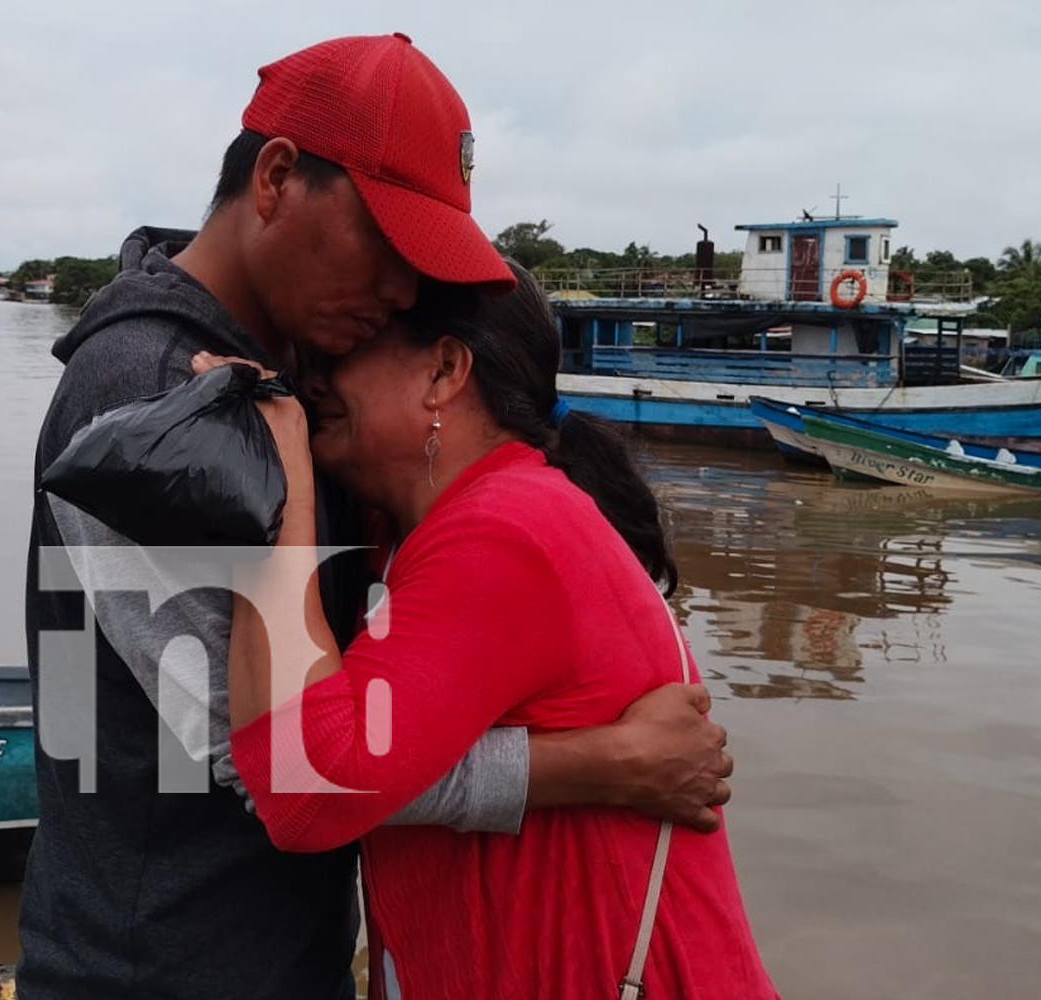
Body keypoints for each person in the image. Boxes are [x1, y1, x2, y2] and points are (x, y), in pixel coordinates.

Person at [22, 33, 733, 999]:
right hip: (162, 959)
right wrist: (594, 765)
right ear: (277, 178)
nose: (402, 289)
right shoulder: (154, 398)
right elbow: (272, 757)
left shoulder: (288, 391)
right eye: (390, 247)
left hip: (272, 943)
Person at [217, 261, 780, 998]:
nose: (308, 379)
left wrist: (275, 488)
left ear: (445, 370)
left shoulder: (505, 529)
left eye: (345, 346)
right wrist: (597, 762)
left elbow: (306, 786)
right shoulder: (424, 526)